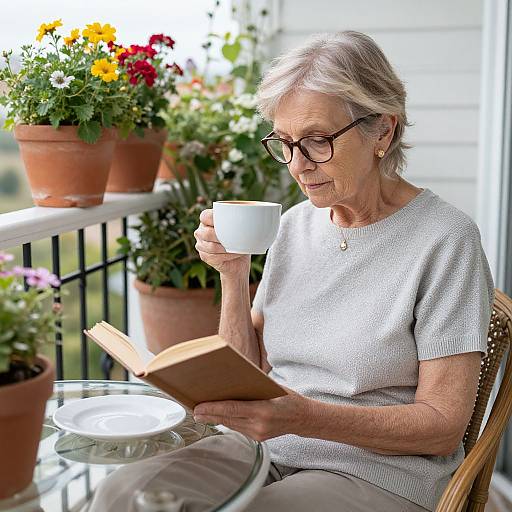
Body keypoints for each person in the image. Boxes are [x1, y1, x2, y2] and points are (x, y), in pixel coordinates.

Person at [90, 30, 494, 512]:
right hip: (268, 446)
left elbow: (442, 426)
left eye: (318, 141)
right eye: (284, 143)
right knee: (124, 494)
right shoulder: (294, 225)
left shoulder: (446, 239)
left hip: (382, 472)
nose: (298, 166)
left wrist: (302, 417)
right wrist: (233, 272)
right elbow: (248, 371)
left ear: (382, 131)